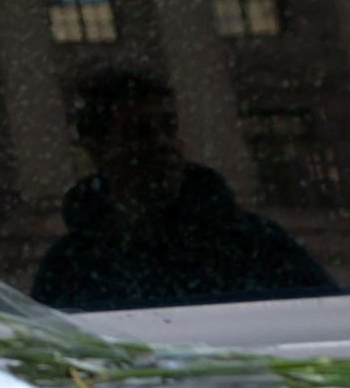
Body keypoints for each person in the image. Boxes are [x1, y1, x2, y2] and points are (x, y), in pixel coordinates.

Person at [31, 69, 333, 311]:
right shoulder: (72, 265)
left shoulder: (254, 243)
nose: (162, 143)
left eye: (169, 127)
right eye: (139, 131)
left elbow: (333, 318)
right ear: (99, 150)